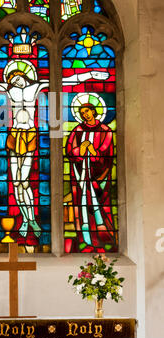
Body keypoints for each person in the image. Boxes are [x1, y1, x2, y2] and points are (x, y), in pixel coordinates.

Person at [0, 65, 109, 239]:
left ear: (23, 76)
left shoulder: (35, 87)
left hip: (29, 136)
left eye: (16, 77)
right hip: (15, 136)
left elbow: (66, 81)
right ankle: (27, 219)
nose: (13, 81)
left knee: (24, 180)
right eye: (10, 79)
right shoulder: (7, 89)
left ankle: (31, 218)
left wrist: (90, 74)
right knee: (17, 182)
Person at [65, 101, 115, 250]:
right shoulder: (77, 130)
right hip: (81, 175)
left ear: (94, 111)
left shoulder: (105, 130)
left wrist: (92, 151)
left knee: (99, 204)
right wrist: (81, 149)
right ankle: (85, 238)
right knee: (83, 205)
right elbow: (70, 151)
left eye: (87, 111)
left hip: (99, 176)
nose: (85, 115)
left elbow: (107, 154)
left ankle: (104, 236)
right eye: (82, 113)